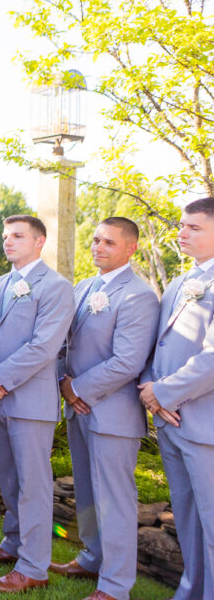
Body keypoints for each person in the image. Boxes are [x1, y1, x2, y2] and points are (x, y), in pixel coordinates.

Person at [53, 217, 159, 600]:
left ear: (130, 248)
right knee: (87, 493)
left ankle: (115, 586)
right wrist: (62, 383)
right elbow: (66, 345)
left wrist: (76, 388)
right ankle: (92, 557)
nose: (98, 247)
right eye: (96, 240)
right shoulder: (83, 287)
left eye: (109, 242)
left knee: (114, 500)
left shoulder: (139, 295)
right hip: (78, 407)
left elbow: (128, 361)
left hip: (113, 413)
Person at [0, 215, 73, 593]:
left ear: (39, 241)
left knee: (33, 484)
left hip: (31, 401)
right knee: (11, 479)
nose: (8, 242)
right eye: (5, 236)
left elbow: (44, 346)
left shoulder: (56, 287)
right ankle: (13, 543)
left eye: (17, 236)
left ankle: (34, 566)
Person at [140, 197, 214, 600]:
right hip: (169, 421)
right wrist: (153, 395)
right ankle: (190, 590)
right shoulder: (180, 283)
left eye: (194, 227)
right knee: (186, 517)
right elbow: (159, 346)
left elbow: (212, 359)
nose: (181, 233)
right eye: (182, 226)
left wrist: (162, 392)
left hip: (204, 424)